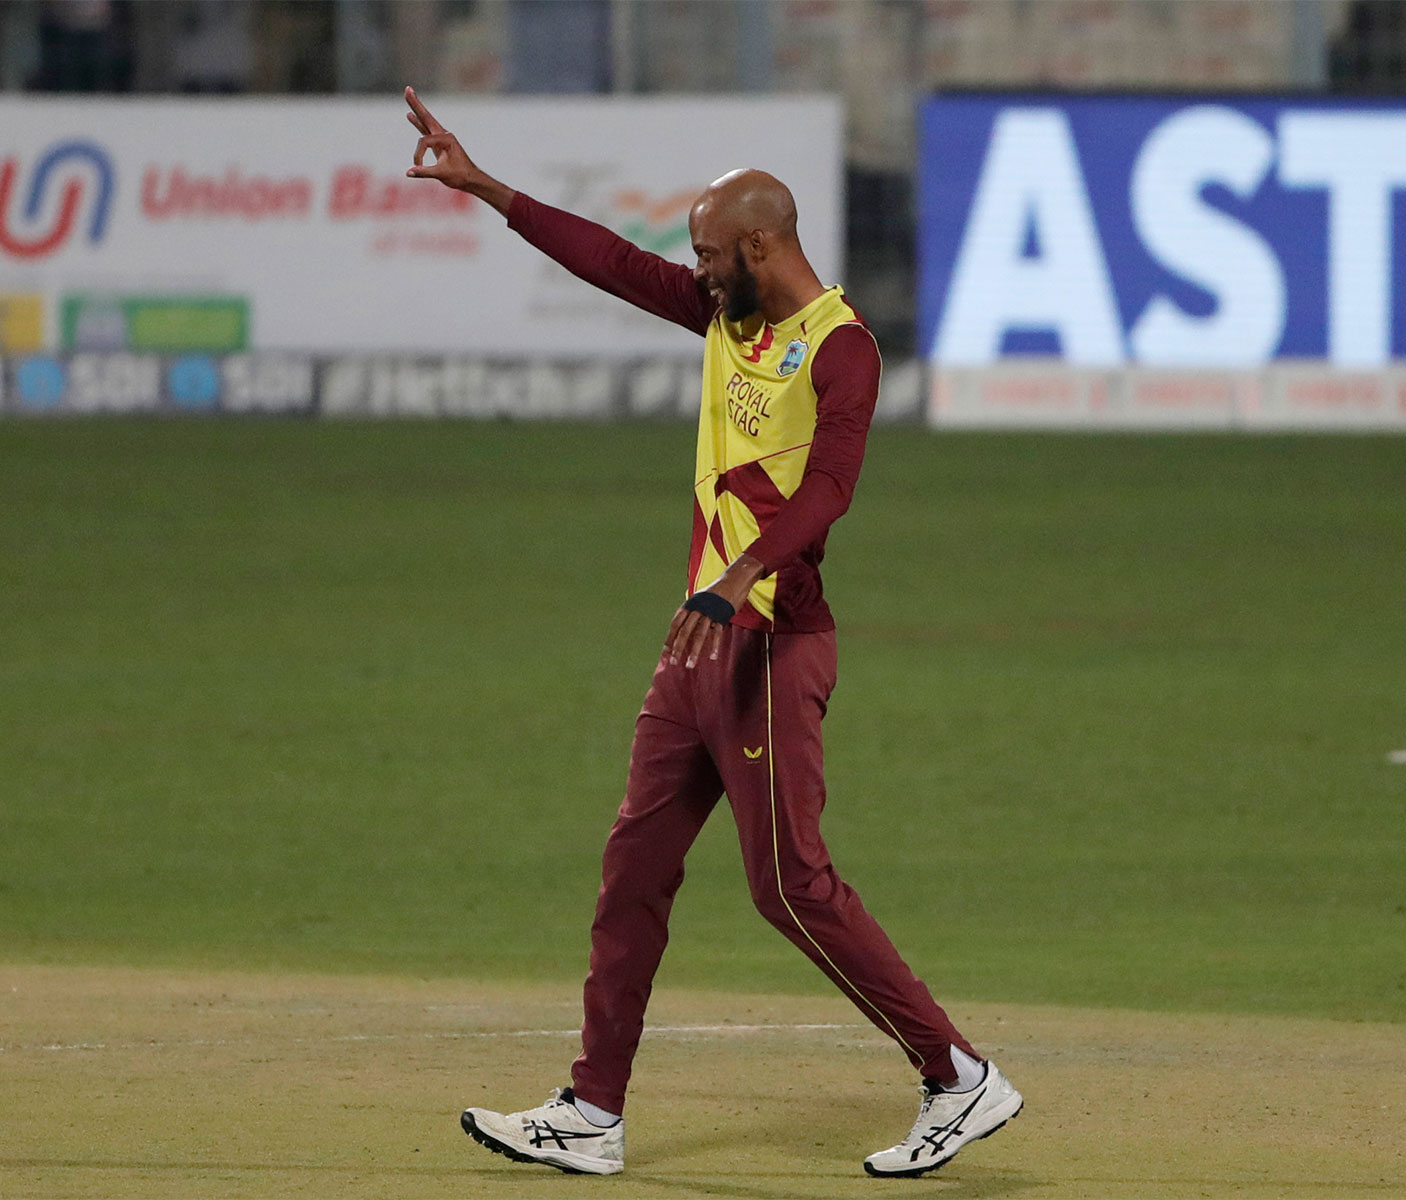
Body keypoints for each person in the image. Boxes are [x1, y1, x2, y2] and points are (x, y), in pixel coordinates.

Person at [402, 86, 1022, 1179]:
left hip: (772, 647)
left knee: (789, 885)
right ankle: (591, 1113)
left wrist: (735, 581)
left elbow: (829, 490)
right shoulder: (722, 317)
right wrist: (485, 186)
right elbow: (609, 263)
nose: (691, 270)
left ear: (759, 243)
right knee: (632, 867)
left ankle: (957, 1077)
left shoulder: (841, 350)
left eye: (706, 253)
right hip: (698, 644)